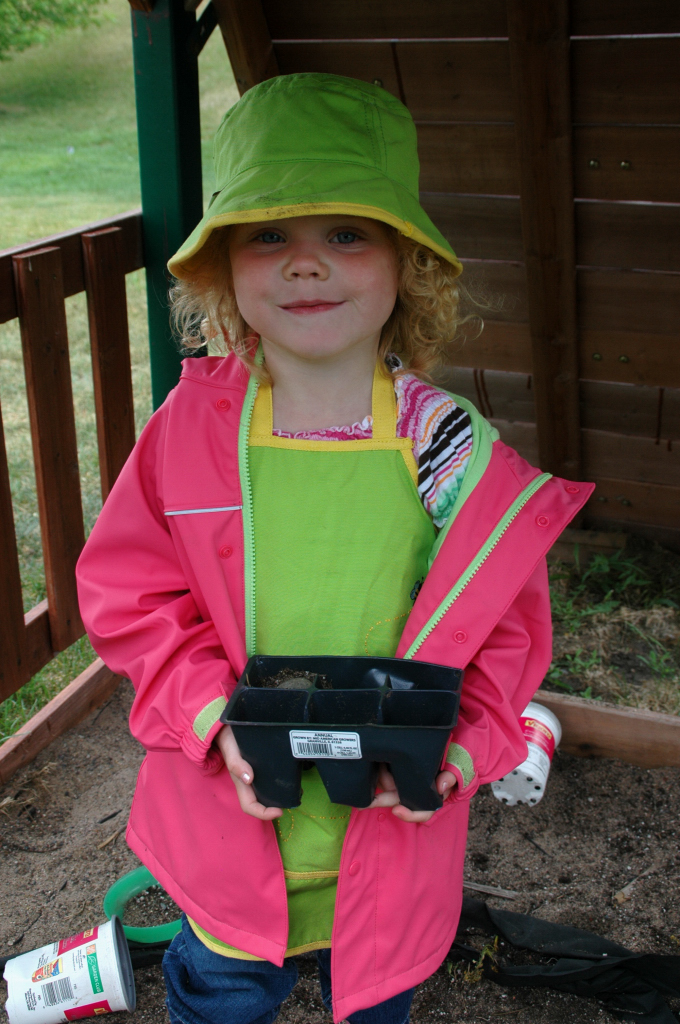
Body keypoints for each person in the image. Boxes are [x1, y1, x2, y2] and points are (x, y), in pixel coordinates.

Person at [76, 74, 592, 1024]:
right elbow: (131, 597)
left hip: (390, 825)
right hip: (229, 817)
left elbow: (506, 635)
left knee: (376, 1000)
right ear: (224, 264)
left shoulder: (449, 450)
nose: (305, 265)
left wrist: (465, 750)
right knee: (225, 990)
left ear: (408, 263)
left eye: (346, 234)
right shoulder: (188, 436)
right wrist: (205, 714)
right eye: (269, 234)